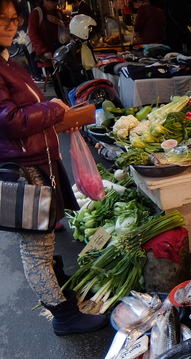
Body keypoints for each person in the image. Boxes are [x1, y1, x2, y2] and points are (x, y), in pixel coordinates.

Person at [0, 0, 108, 335]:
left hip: (35, 158)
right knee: (36, 247)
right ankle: (63, 315)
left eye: (13, 18)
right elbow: (10, 120)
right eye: (0, 19)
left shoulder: (7, 62)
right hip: (23, 168)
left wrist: (54, 120)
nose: (9, 25)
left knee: (43, 239)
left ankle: (57, 283)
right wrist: (54, 112)